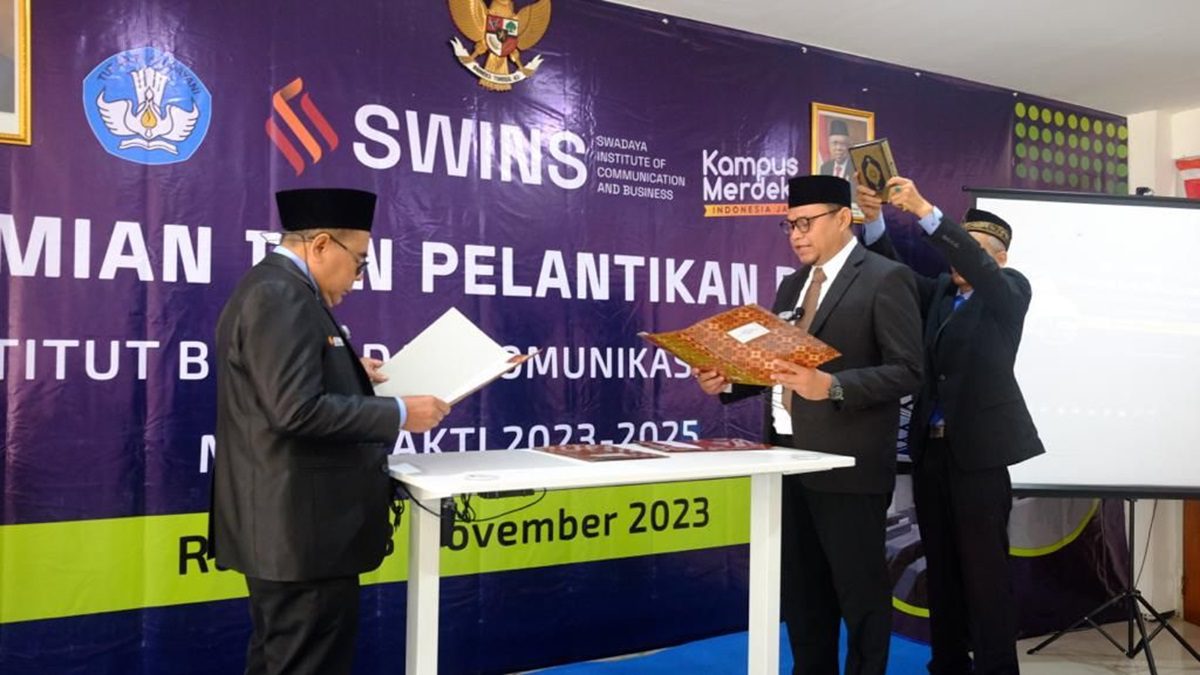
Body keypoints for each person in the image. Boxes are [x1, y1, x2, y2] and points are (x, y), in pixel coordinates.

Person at [209, 188, 450, 675]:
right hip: (300, 537)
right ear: (321, 245)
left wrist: (351, 370)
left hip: (294, 536)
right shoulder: (280, 295)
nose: (358, 280)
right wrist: (399, 412)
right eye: (360, 263)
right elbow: (295, 410)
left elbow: (280, 387)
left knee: (281, 661)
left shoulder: (276, 289)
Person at [694, 175, 923, 675]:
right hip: (787, 459)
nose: (796, 235)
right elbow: (777, 367)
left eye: (805, 223)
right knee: (802, 592)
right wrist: (728, 382)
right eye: (789, 225)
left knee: (860, 593)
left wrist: (833, 386)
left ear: (843, 218)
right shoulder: (792, 285)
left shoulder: (885, 278)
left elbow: (908, 370)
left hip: (849, 465)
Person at [858, 177, 1045, 675]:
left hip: (979, 457)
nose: (957, 257)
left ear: (999, 258)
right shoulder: (940, 292)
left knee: (985, 575)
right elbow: (896, 274)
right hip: (932, 453)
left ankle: (997, 669)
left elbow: (979, 267)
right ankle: (947, 664)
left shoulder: (1009, 289)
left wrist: (923, 209)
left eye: (972, 248)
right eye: (957, 246)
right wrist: (874, 221)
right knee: (940, 569)